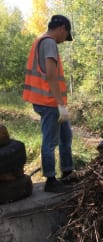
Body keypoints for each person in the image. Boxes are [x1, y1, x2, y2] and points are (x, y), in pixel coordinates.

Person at [22, 15, 74, 193]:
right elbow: (51, 75)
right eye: (65, 36)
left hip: (51, 101)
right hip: (49, 102)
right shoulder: (49, 42)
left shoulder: (40, 41)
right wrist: (61, 105)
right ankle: (51, 180)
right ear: (62, 28)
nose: (64, 41)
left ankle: (68, 173)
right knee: (50, 142)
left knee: (66, 137)